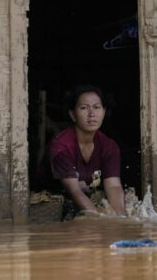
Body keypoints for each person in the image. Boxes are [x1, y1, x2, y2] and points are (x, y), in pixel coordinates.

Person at [47, 85, 126, 217]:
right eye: (84, 108)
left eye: (97, 107)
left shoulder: (109, 146)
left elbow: (113, 186)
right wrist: (99, 219)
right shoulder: (61, 146)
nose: (92, 114)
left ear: (104, 111)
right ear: (73, 114)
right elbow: (75, 190)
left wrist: (120, 218)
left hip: (88, 191)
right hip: (56, 194)